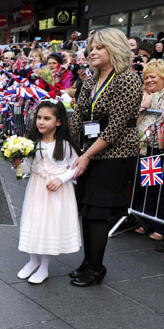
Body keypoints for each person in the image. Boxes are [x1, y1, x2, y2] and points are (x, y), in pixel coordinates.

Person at [69, 28, 143, 287]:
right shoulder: (89, 81)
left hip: (116, 153)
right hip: (92, 151)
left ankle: (96, 267)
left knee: (98, 211)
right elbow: (78, 116)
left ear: (114, 49)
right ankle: (88, 262)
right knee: (88, 210)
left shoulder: (128, 79)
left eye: (99, 47)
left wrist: (86, 155)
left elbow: (116, 127)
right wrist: (61, 143)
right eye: (91, 47)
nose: (92, 52)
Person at [13, 101, 81, 284]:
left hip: (56, 192)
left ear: (58, 122)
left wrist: (61, 179)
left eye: (47, 118)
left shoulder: (65, 145)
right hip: (36, 189)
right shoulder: (31, 143)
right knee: (34, 223)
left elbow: (75, 167)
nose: (41, 122)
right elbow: (27, 169)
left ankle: (44, 267)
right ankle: (32, 261)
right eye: (39, 118)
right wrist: (18, 165)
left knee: (49, 225)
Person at [134, 59, 164, 240]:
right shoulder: (146, 94)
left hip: (159, 147)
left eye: (152, 76)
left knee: (160, 188)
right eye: (145, 77)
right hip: (147, 147)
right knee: (150, 185)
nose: (148, 80)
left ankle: (159, 225)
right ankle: (146, 222)